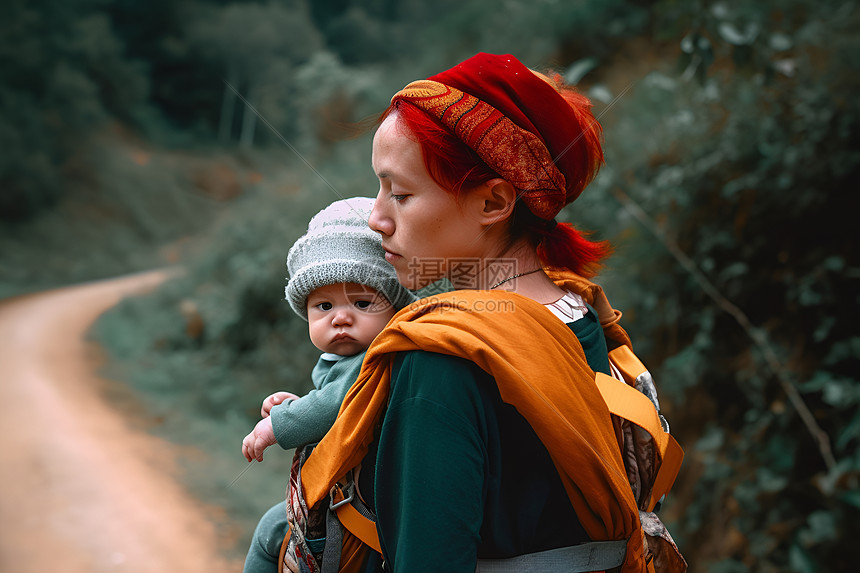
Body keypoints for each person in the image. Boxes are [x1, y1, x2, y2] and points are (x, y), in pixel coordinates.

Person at [263, 53, 684, 573]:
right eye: (378, 189)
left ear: (493, 203)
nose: (376, 218)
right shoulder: (579, 312)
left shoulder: (443, 359)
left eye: (401, 193)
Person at [241, 197, 415, 572]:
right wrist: (295, 403)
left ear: (395, 306)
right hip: (350, 490)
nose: (341, 318)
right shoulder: (344, 359)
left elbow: (337, 403)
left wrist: (277, 424)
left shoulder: (377, 355)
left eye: (363, 303)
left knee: (272, 528)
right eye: (324, 307)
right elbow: (326, 403)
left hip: (368, 499)